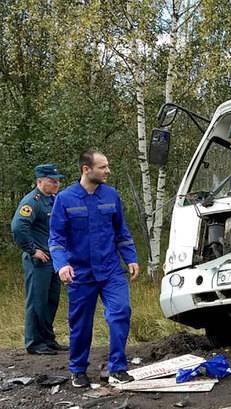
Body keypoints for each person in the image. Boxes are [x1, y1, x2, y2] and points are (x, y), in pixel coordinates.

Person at [49, 149, 140, 388]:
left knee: (120, 312)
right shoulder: (65, 199)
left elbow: (122, 232)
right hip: (81, 273)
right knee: (80, 324)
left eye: (108, 166)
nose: (108, 171)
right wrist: (62, 265)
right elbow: (56, 239)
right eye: (103, 167)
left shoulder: (111, 196)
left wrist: (131, 258)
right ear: (86, 169)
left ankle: (118, 368)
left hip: (110, 270)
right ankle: (78, 370)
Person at [11, 164, 68, 355]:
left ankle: (47, 339)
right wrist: (32, 250)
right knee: (37, 301)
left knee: (51, 300)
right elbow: (19, 227)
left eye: (58, 180)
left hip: (53, 259)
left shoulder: (51, 200)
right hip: (38, 260)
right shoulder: (32, 202)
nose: (57, 184)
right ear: (40, 181)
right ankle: (34, 342)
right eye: (53, 181)